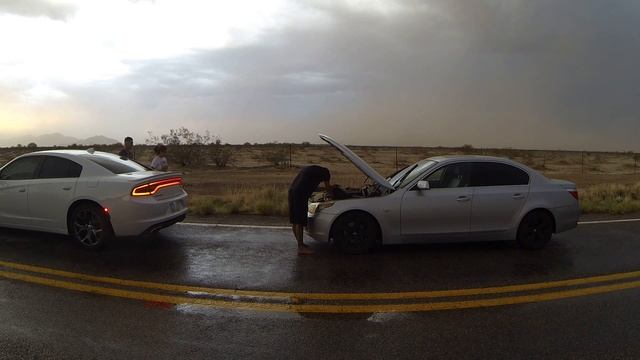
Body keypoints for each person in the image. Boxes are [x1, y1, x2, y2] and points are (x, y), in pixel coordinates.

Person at [288, 165, 334, 255]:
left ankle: (301, 244)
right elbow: (328, 188)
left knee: (294, 220)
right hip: (300, 193)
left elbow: (312, 187)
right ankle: (301, 247)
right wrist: (332, 195)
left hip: (292, 191)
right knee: (300, 220)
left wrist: (326, 188)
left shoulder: (311, 170)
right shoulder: (326, 173)